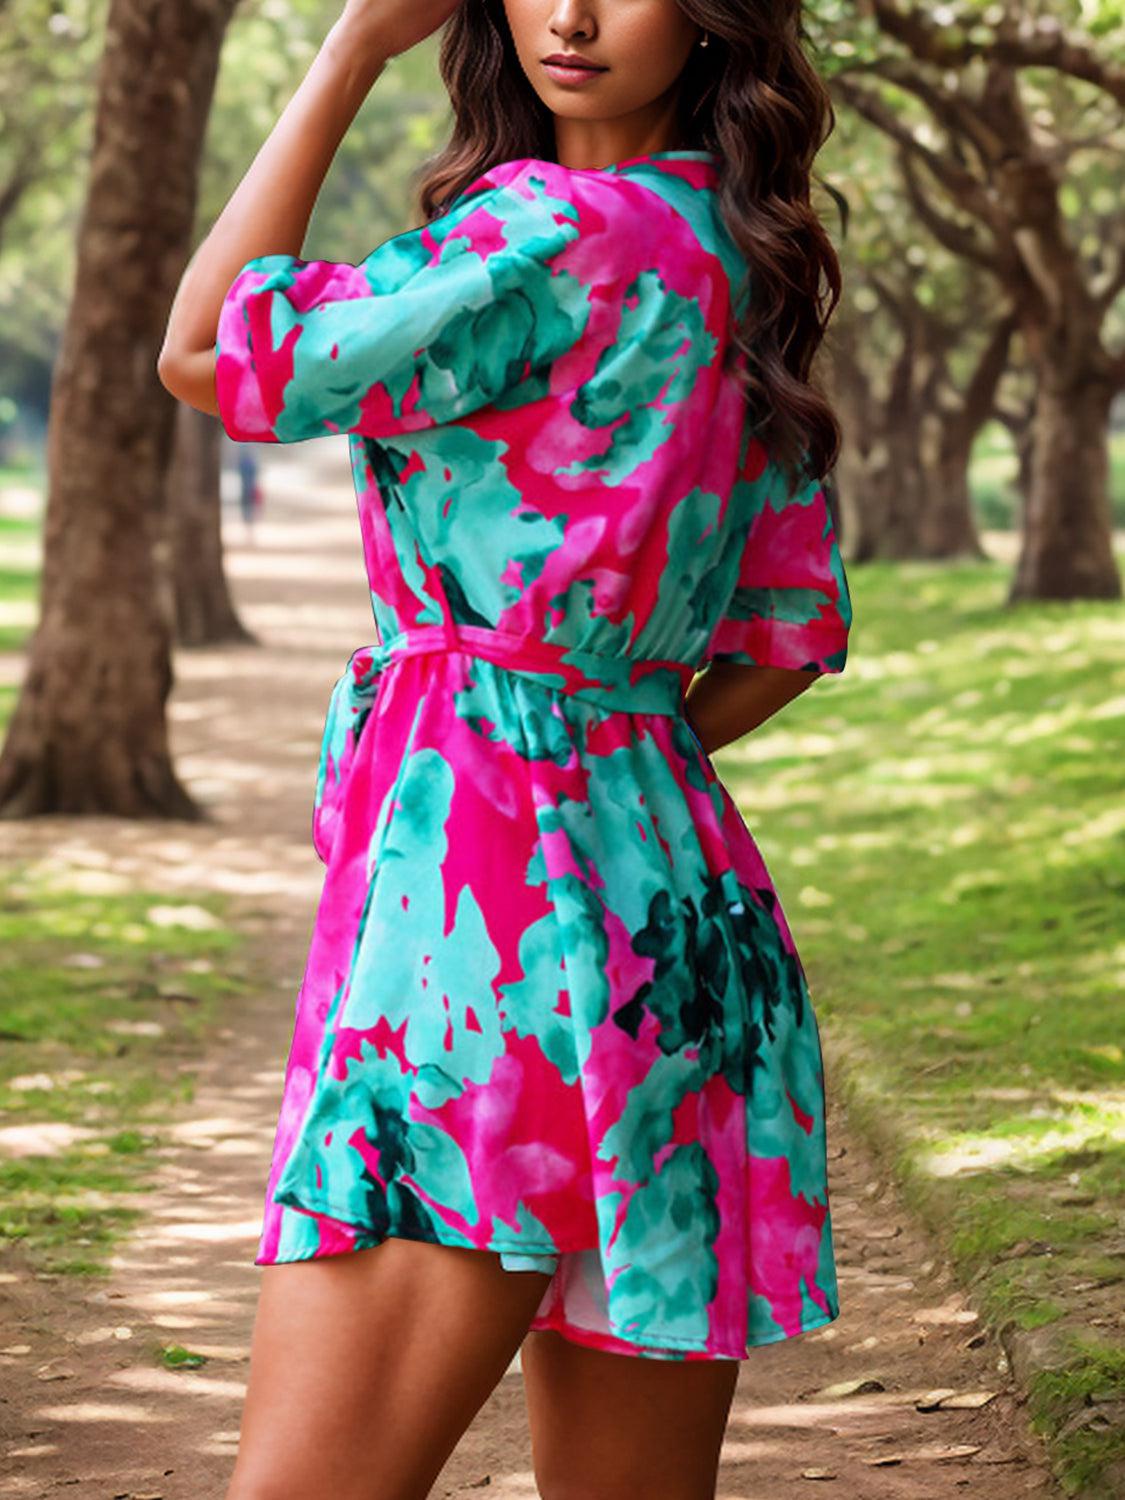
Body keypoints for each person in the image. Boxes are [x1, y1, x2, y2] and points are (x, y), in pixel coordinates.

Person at [158, 0, 853, 1494]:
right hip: (680, 928)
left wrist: (349, 51)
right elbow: (786, 634)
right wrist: (607, 755)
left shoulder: (542, 231)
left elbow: (207, 351)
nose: (574, 14)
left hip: (480, 922)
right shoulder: (744, 264)